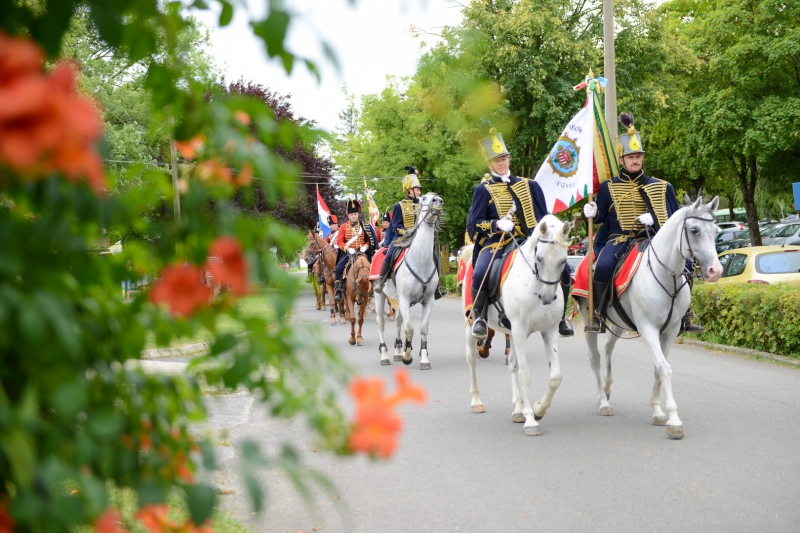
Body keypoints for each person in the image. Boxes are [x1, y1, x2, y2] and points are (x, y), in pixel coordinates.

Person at [582, 113, 702, 333]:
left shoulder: (662, 186)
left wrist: (654, 220)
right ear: (622, 160)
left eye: (638, 156)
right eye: (630, 157)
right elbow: (599, 219)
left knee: (685, 266)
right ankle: (598, 314)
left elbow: (675, 221)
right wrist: (592, 211)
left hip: (654, 238)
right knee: (603, 267)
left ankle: (685, 314)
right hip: (620, 239)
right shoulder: (608, 187)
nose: (635, 160)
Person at [467, 128, 574, 339]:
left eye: (504, 158)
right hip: (497, 242)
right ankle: (479, 317)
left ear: (509, 159)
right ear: (490, 163)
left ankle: (561, 317)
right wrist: (496, 224)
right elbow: (474, 225)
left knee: (564, 270)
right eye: (496, 160)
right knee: (481, 272)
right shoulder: (483, 189)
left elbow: (544, 216)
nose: (501, 162)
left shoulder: (530, 185)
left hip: (529, 240)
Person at [373, 165, 445, 299]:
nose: (419, 192)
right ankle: (381, 281)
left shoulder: (422, 205)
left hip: (418, 239)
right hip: (401, 238)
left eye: (419, 189)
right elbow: (395, 225)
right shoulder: (398, 205)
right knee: (390, 254)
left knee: (434, 257)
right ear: (408, 190)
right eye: (416, 189)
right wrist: (407, 233)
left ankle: (436, 287)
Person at [333, 199, 377, 302]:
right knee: (339, 268)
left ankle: (374, 288)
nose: (354, 216)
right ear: (348, 215)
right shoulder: (343, 227)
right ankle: (338, 289)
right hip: (349, 254)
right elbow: (339, 242)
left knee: (373, 268)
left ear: (358, 214)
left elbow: (369, 240)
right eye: (352, 214)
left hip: (362, 253)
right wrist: (348, 248)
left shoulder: (364, 226)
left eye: (355, 214)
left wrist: (365, 247)